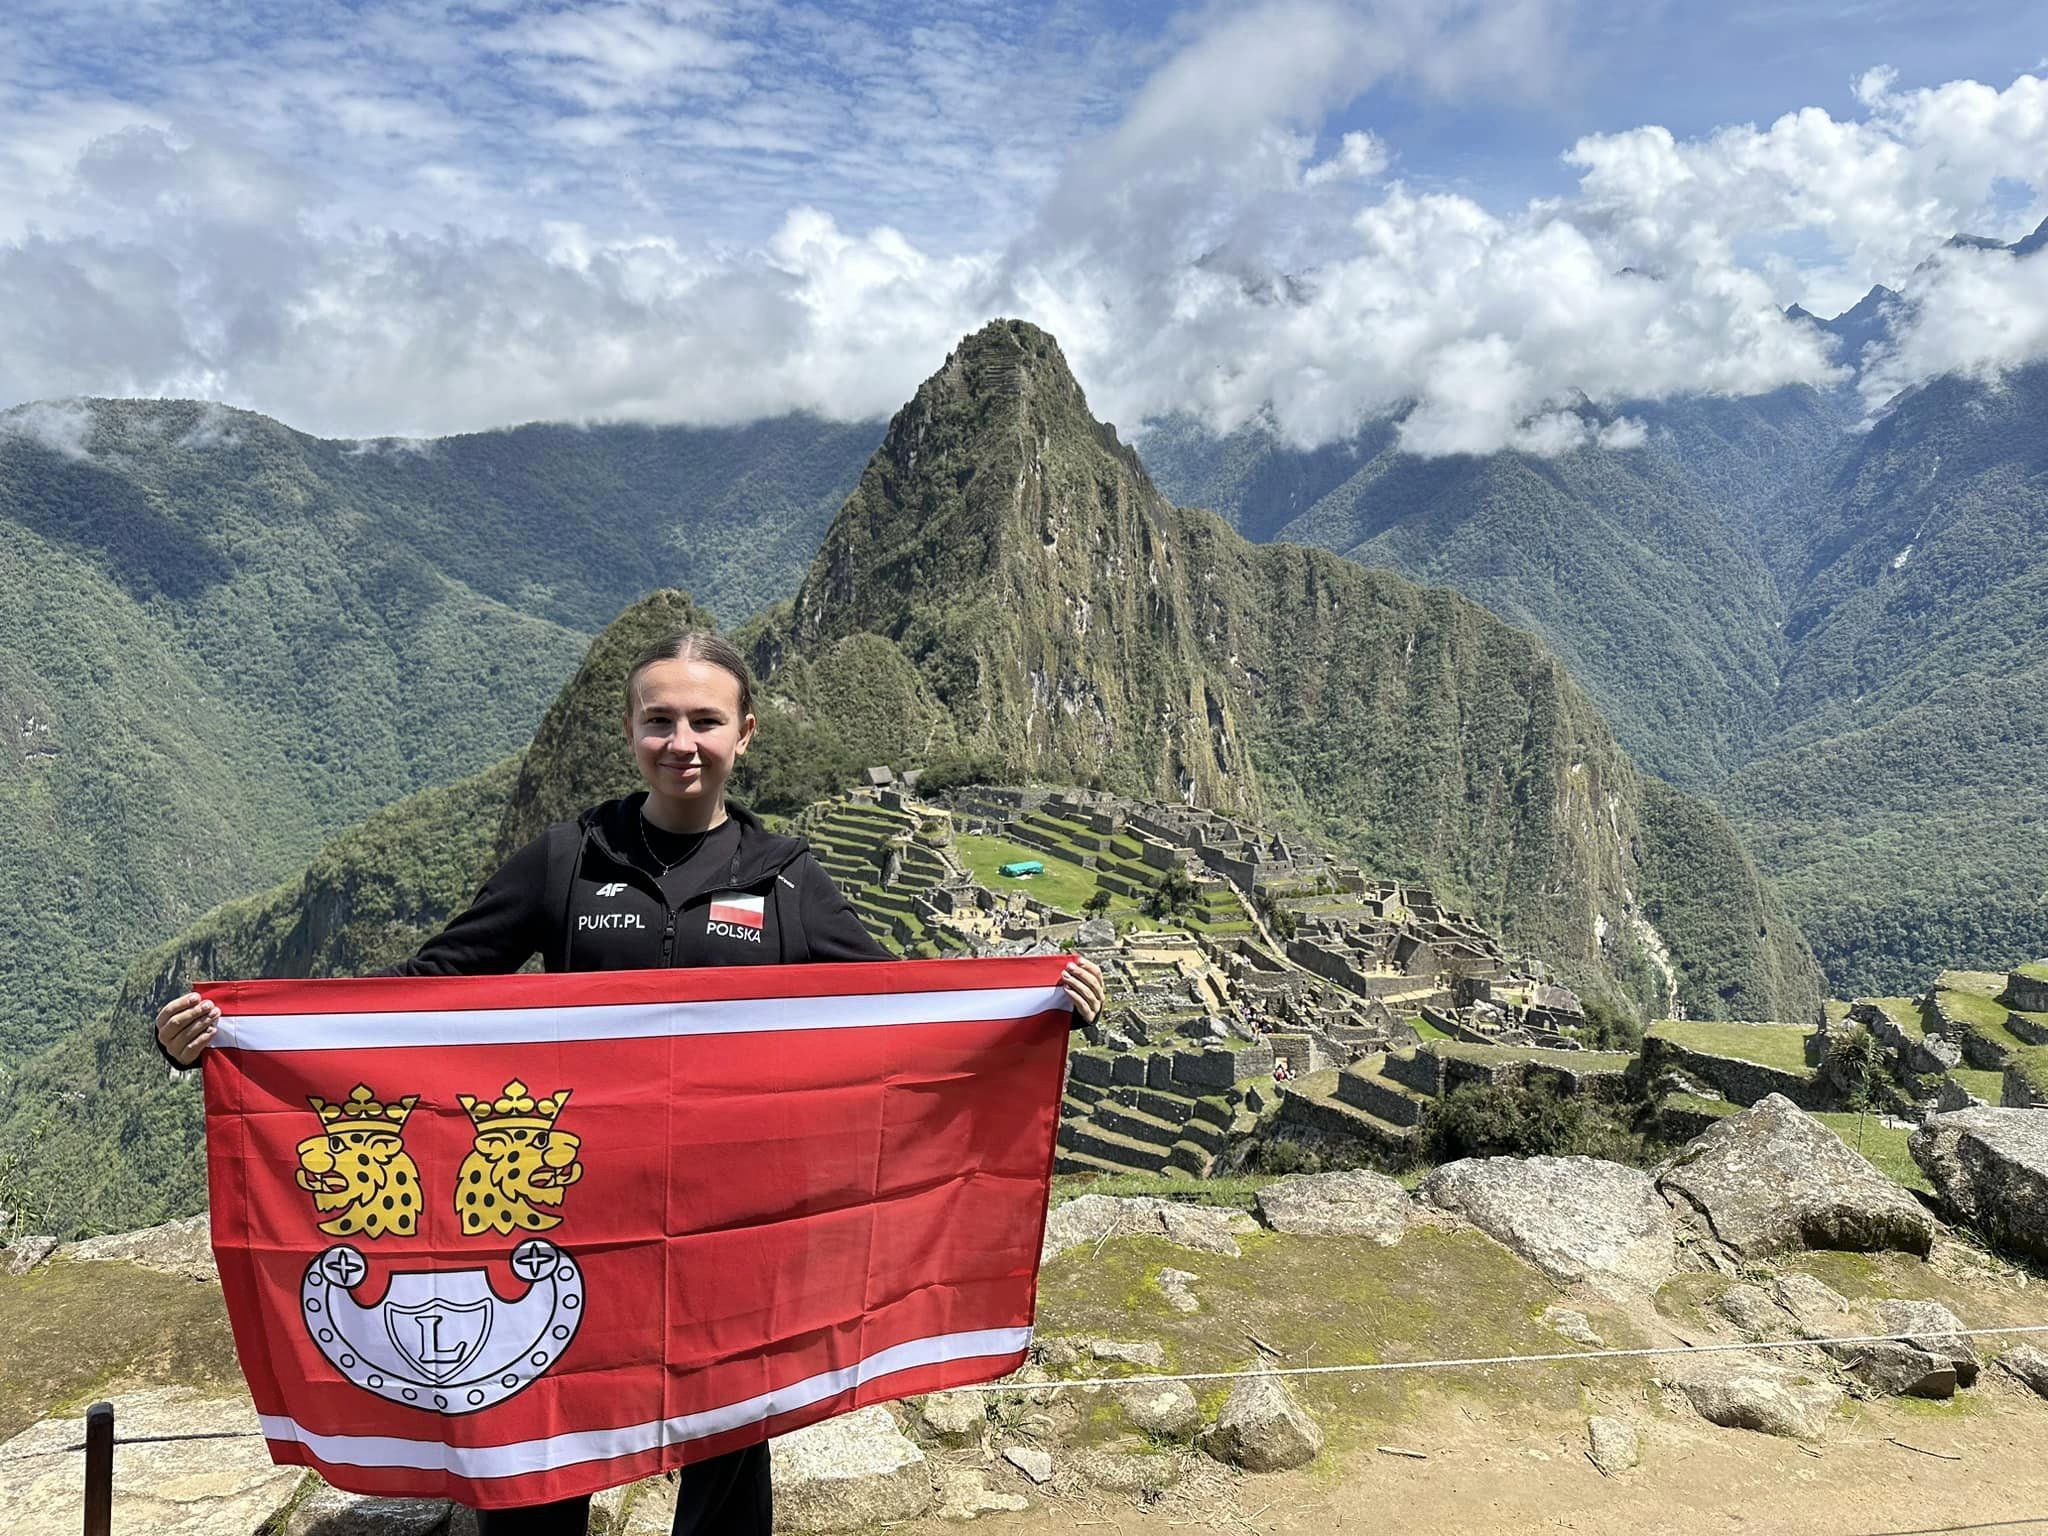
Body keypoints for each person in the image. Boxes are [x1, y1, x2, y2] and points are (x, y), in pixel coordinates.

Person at [156, 629, 1106, 1536]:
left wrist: (1034, 1009)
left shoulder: (785, 880)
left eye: (705, 721)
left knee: (732, 1425)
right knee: (544, 1416)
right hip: (573, 1204)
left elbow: (900, 1020)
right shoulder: (567, 860)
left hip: (736, 1214)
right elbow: (426, 991)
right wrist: (235, 1036)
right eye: (660, 721)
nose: (681, 743)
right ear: (629, 732)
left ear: (744, 734)